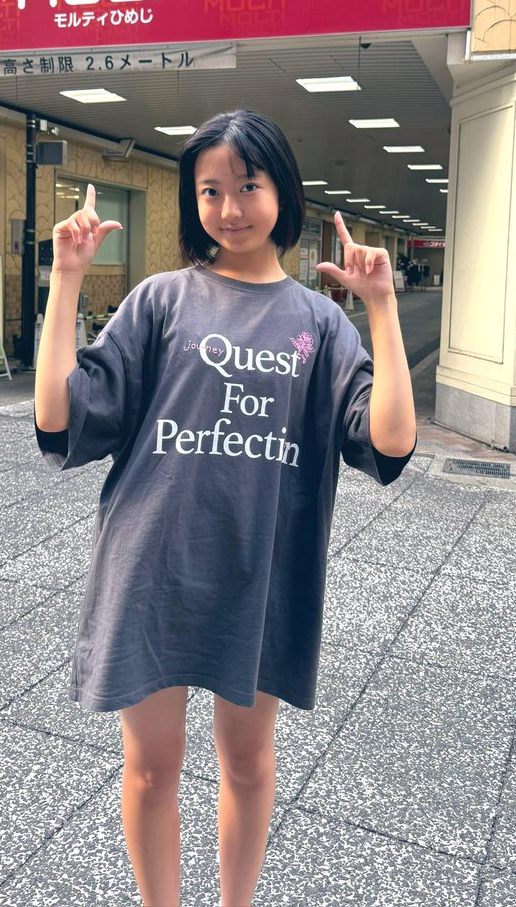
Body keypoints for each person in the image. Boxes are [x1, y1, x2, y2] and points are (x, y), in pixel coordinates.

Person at [34, 110, 417, 907]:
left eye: (247, 186)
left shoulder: (320, 323)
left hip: (260, 571)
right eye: (210, 191)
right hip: (152, 565)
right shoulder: (161, 300)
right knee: (152, 768)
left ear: (284, 192)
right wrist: (65, 280)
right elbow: (61, 422)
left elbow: (388, 445)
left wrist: (381, 308)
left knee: (246, 762)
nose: (229, 208)